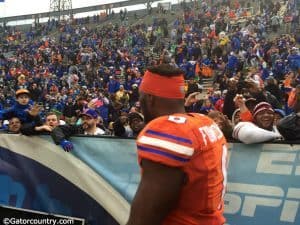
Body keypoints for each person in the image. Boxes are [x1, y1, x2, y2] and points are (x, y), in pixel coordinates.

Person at [126, 64, 228, 225]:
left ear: (149, 98)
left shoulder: (168, 130)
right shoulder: (205, 122)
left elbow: (144, 217)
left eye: (141, 97)